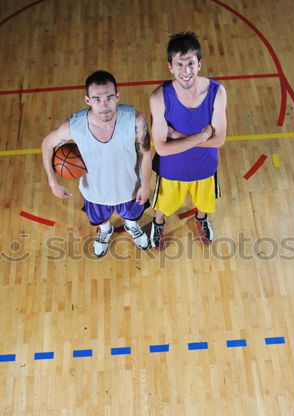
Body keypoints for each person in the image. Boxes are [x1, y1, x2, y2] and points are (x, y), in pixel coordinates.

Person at [42, 70, 152, 257]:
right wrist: (53, 182)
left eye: (109, 97)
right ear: (87, 100)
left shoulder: (135, 120)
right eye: (97, 99)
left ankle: (131, 225)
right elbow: (47, 144)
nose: (104, 105)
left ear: (117, 96)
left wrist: (146, 184)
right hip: (95, 192)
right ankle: (105, 230)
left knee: (132, 215)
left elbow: (146, 152)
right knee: (100, 218)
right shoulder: (75, 126)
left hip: (130, 188)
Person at [149, 32, 227, 249]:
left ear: (199, 63)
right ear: (170, 67)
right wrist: (202, 136)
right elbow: (163, 149)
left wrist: (180, 137)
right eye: (180, 64)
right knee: (163, 205)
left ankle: (201, 219)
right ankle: (158, 223)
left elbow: (219, 139)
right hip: (172, 167)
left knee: (203, 203)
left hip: (205, 165)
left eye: (191, 63)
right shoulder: (158, 97)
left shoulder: (217, 92)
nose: (186, 71)